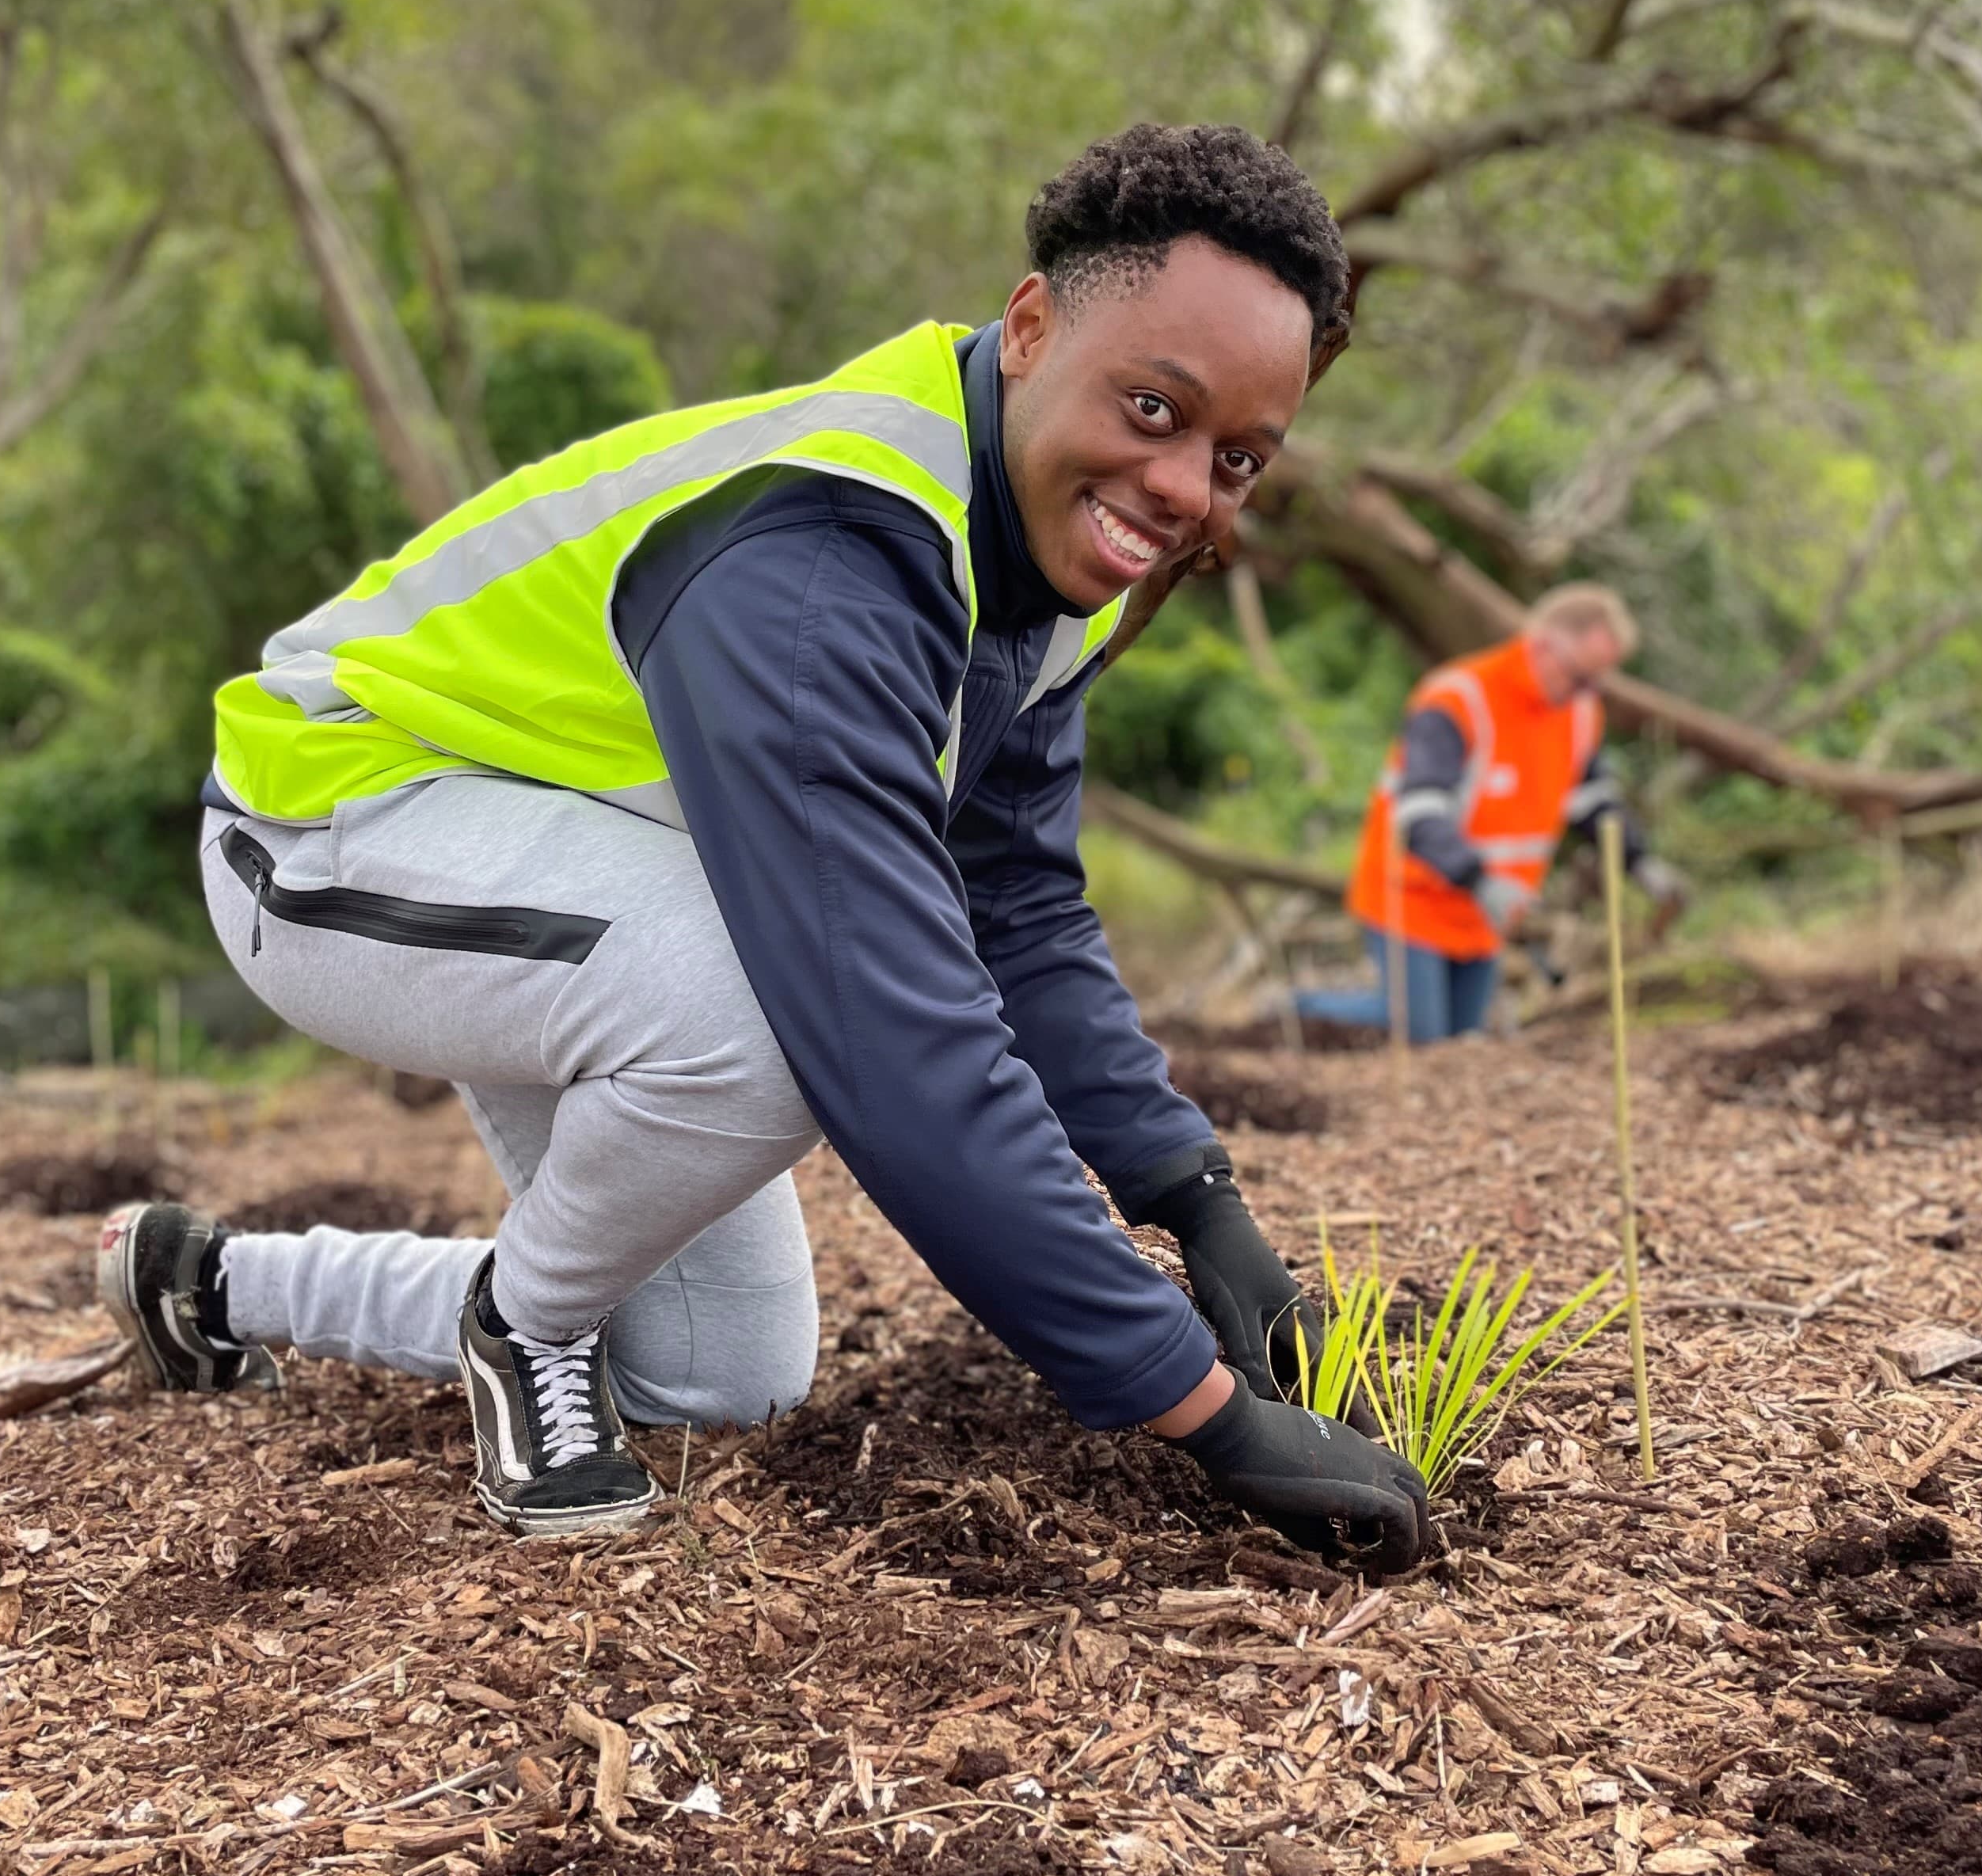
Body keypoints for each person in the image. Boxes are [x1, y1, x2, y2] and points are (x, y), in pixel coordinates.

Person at [101, 123, 1428, 1566]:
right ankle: (522, 1323)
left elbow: (1016, 907)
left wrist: (1193, 1197)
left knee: (718, 1373)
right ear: (1034, 324)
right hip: (332, 818)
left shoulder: (1056, 556)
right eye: (1157, 410)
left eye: (1237, 457)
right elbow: (889, 1038)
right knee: (774, 1037)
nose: (1184, 491)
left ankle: (213, 1280)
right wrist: (1204, 1412)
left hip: (566, 859)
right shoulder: (823, 561)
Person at [1296, 585, 1688, 1045]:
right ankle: (1296, 1011)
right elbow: (1419, 813)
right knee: (1424, 1039)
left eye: (1598, 680)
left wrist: (1640, 862)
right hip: (1412, 898)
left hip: (1486, 915)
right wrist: (1479, 880)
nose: (1588, 692)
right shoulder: (1458, 699)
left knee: (1466, 1042)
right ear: (1543, 646)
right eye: (1580, 676)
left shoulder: (1579, 713)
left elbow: (1592, 804)